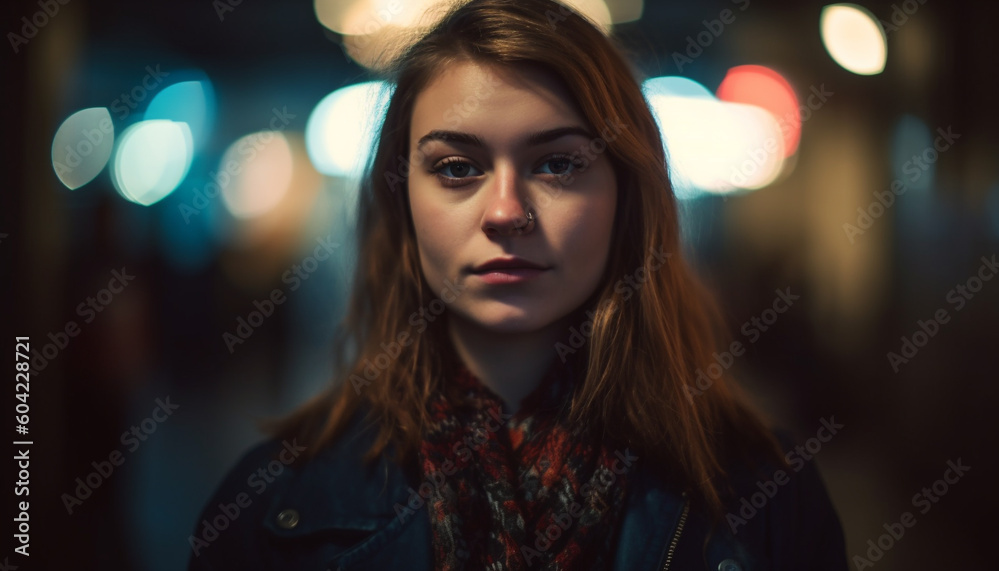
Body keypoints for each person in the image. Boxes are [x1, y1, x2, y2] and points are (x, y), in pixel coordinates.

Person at [187, 0, 848, 569]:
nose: (505, 210)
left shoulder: (766, 496)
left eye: (557, 163)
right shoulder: (271, 507)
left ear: (627, 198)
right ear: (400, 200)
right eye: (455, 168)